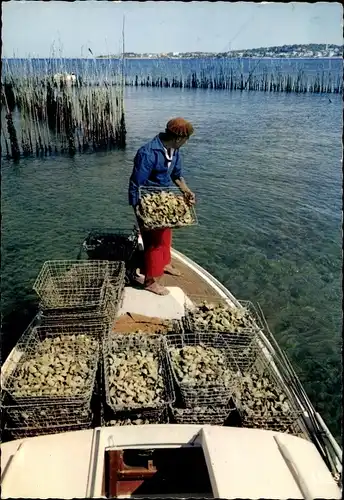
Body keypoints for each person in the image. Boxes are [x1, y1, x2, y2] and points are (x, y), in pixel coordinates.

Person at [128, 117, 195, 296]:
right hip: (149, 202)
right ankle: (150, 281)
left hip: (165, 198)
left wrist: (186, 191)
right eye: (187, 139)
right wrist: (138, 211)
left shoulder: (174, 150)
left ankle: (164, 264)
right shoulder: (148, 153)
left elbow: (177, 176)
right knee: (154, 243)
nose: (186, 143)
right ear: (179, 138)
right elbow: (136, 184)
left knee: (166, 235)